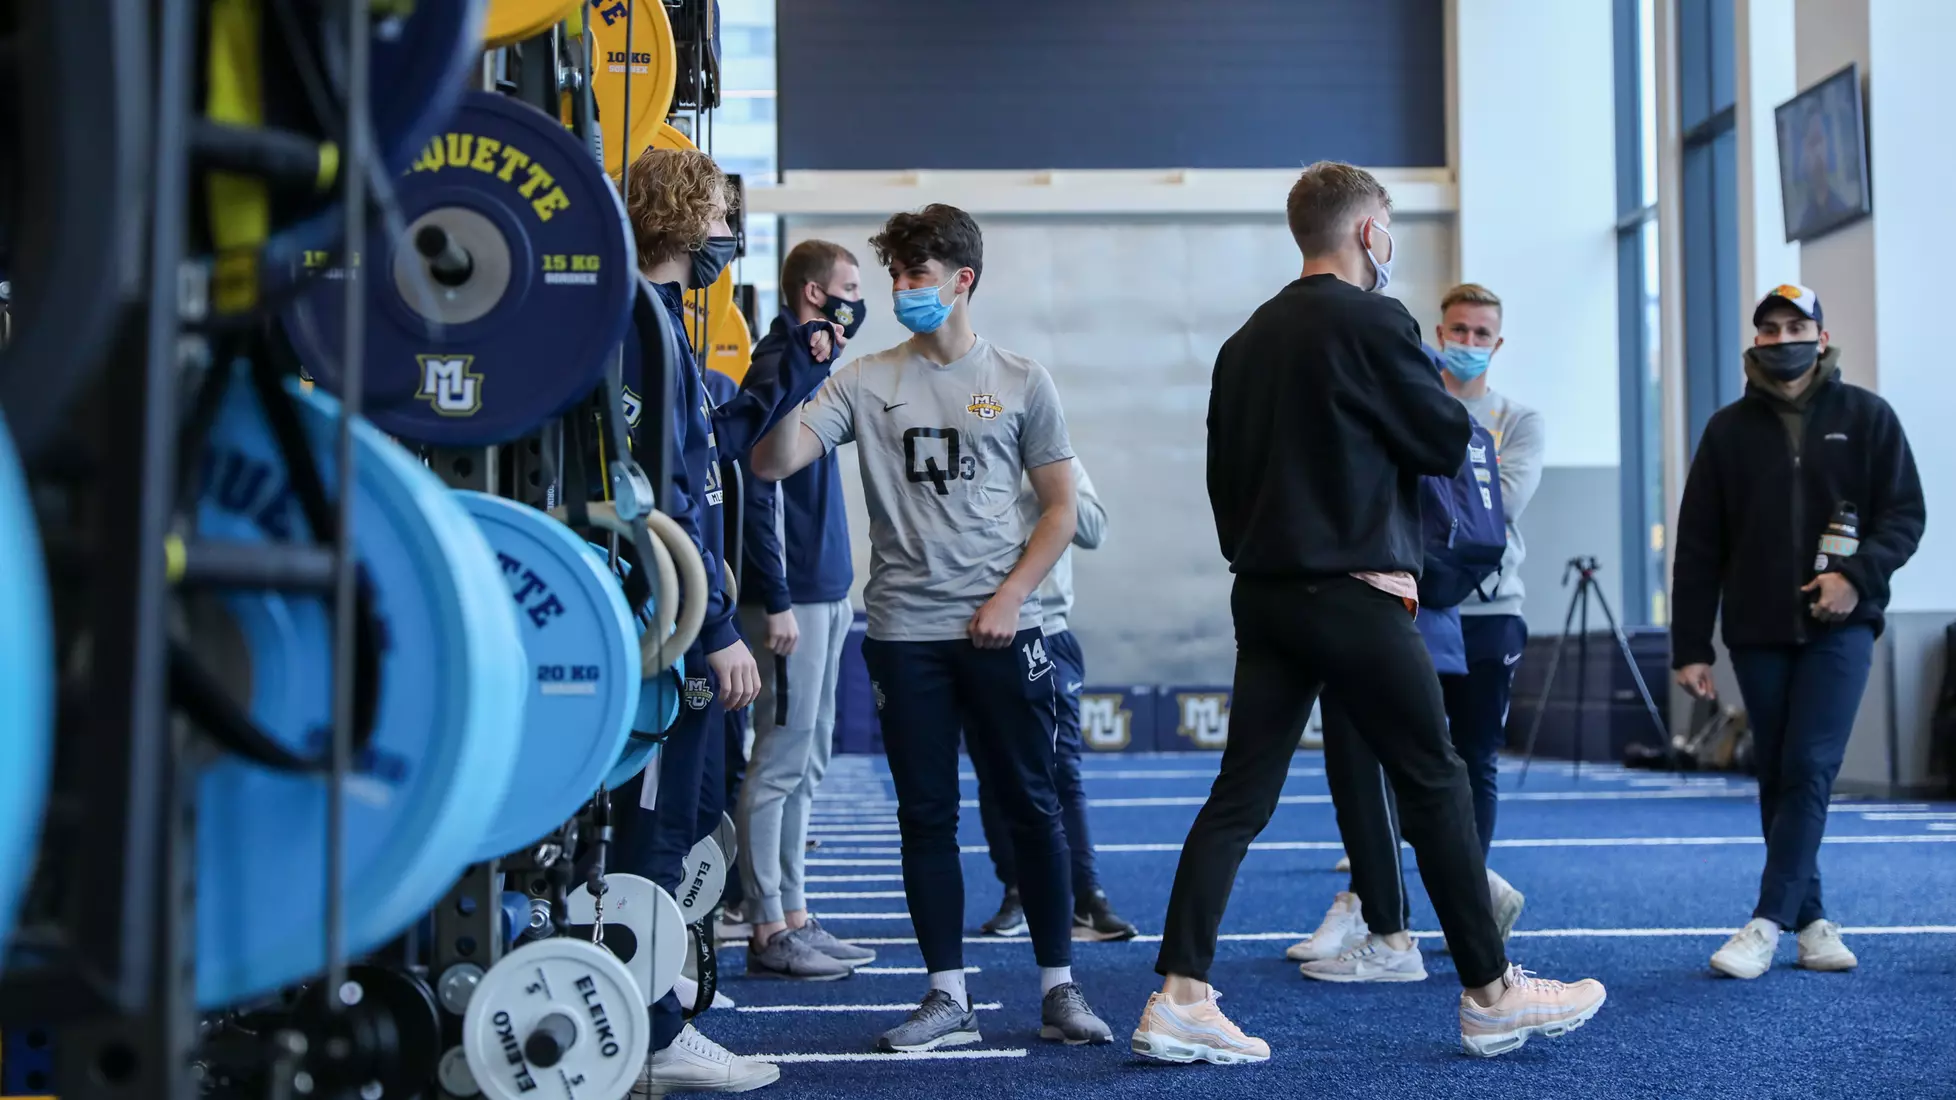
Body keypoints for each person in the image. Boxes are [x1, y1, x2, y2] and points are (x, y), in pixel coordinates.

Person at [1129, 161, 1606, 1066]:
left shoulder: (1243, 341)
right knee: (1434, 780)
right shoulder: (1377, 319)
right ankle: (1493, 992)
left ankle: (1180, 995)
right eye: (1387, 227)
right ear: (1367, 234)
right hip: (1354, 592)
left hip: (1264, 592)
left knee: (1240, 794)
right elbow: (1439, 437)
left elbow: (1222, 483)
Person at [749, 203, 1114, 1053]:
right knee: (926, 815)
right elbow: (769, 462)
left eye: (918, 275)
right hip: (906, 635)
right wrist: (798, 372)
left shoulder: (1023, 379)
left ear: (962, 281)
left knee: (1031, 806)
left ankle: (1060, 987)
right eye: (896, 276)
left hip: (1004, 631)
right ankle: (946, 997)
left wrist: (1011, 597)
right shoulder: (865, 378)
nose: (904, 290)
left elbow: (1064, 511)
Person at [609, 144, 837, 1097]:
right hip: (672, 630)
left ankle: (660, 999)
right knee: (659, 829)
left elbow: (716, 449)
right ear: (677, 218)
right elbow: (661, 499)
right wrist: (714, 631)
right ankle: (650, 1029)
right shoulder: (635, 322)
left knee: (696, 815)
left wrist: (788, 364)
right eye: (716, 219)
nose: (726, 238)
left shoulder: (665, 321)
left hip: (688, 620)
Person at [1673, 284, 1923, 981]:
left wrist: (1858, 577)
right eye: (1770, 328)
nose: (1783, 338)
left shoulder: (1867, 417)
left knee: (1812, 765)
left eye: (1796, 325)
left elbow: (1904, 516)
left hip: (1841, 626)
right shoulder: (1728, 431)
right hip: (1755, 629)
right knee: (1779, 772)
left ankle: (1765, 922)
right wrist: (1691, 646)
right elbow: (1698, 545)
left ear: (1821, 334)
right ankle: (1812, 921)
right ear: (1756, 341)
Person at [734, 239, 879, 980]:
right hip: (789, 601)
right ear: (814, 295)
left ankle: (794, 910)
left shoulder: (813, 362)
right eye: (849, 286)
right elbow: (757, 489)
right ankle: (766, 925)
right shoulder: (783, 363)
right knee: (781, 757)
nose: (861, 298)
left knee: (809, 755)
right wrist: (780, 598)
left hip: (824, 589)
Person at [971, 457, 1139, 943]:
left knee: (1062, 768)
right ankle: (1018, 891)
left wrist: (1048, 484)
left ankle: (1087, 896)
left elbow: (1093, 531)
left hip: (1048, 628)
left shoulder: (1052, 452)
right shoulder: (964, 449)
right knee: (994, 768)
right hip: (978, 630)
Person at [1434, 282, 1542, 936]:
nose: (1469, 343)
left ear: (1496, 344)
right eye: (1459, 331)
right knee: (1401, 758)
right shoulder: (1409, 409)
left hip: (1490, 611)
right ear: (1439, 332)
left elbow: (1500, 507)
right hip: (1416, 608)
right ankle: (1372, 906)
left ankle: (1470, 907)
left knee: (1475, 757)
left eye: (1481, 334)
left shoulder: (1520, 422)